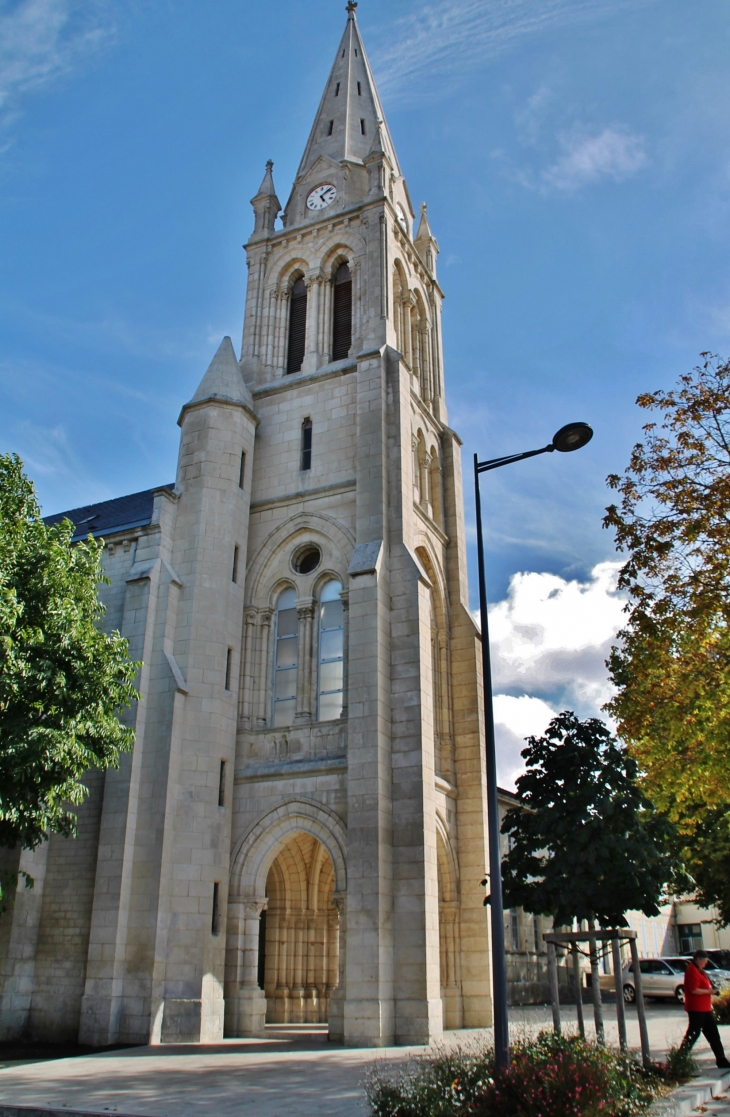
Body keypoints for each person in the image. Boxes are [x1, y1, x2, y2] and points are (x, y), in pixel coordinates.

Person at [680, 949, 730, 1068]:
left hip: (704, 1008)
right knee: (693, 1034)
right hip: (696, 1008)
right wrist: (710, 991)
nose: (706, 963)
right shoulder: (692, 970)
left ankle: (721, 1060)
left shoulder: (700, 970)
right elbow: (694, 989)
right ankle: (679, 1058)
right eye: (705, 961)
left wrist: (712, 992)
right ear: (698, 959)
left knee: (713, 1034)